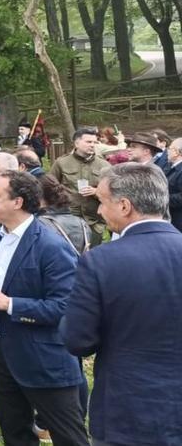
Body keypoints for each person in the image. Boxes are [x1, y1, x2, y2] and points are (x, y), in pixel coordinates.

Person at [0, 171, 88, 446]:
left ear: (18, 202)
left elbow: (65, 306)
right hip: (0, 353)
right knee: (15, 433)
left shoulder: (51, 246)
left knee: (69, 437)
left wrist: (11, 304)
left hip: (42, 358)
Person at [64, 162, 182, 445]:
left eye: (102, 202)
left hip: (126, 409)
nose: (101, 211)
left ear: (125, 206)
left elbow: (77, 340)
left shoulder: (101, 261)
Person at [50, 126, 111, 248]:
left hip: (94, 222)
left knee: (92, 258)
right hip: (68, 219)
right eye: (88, 142)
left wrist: (96, 191)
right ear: (76, 143)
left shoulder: (104, 165)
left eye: (95, 142)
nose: (92, 145)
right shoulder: (61, 163)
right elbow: (49, 187)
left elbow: (113, 192)